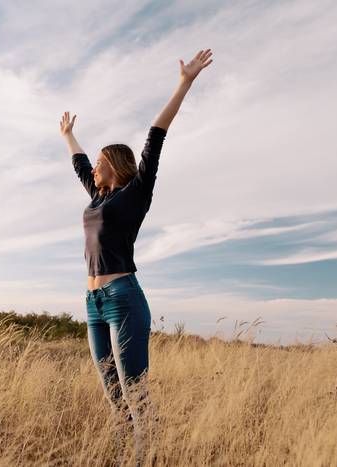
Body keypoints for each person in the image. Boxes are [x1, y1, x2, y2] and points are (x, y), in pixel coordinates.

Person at [60, 48, 213, 466]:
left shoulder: (135, 193)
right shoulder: (97, 197)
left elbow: (155, 137)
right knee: (111, 391)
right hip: (93, 303)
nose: (93, 168)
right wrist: (68, 136)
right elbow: (79, 165)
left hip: (124, 297)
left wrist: (185, 83)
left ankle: (147, 456)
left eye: (99, 163)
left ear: (115, 165)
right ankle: (124, 453)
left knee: (134, 390)